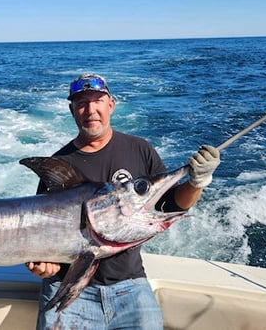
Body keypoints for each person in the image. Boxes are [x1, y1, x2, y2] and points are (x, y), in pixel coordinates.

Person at [26, 73, 220, 330]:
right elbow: (39, 230)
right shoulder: (60, 163)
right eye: (81, 102)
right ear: (71, 109)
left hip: (130, 286)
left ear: (111, 105)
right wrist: (42, 263)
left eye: (97, 100)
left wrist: (196, 182)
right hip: (68, 289)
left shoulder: (140, 150)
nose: (90, 109)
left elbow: (170, 205)